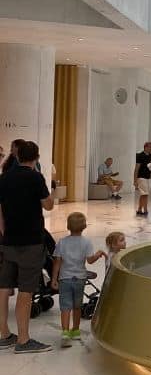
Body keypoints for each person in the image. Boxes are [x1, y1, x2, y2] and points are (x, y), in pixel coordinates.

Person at [0, 141, 55, 353]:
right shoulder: (35, 177)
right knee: (26, 290)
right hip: (30, 241)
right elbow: (48, 204)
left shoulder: (4, 178)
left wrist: (4, 234)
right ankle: (23, 339)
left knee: (4, 286)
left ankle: (4, 333)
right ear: (36, 157)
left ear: (17, 155)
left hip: (9, 240)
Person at [50, 212, 106, 348]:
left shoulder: (62, 242)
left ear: (68, 226)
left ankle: (65, 332)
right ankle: (75, 330)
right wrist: (98, 254)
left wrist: (54, 279)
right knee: (77, 306)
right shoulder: (86, 242)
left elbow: (57, 262)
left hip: (64, 279)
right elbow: (90, 261)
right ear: (84, 226)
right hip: (80, 279)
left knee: (65, 307)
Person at [134, 142, 151, 217]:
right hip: (141, 177)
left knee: (145, 194)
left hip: (148, 177)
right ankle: (145, 210)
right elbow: (136, 169)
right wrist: (135, 180)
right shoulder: (140, 155)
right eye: (150, 147)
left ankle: (139, 209)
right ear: (145, 147)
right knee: (144, 193)